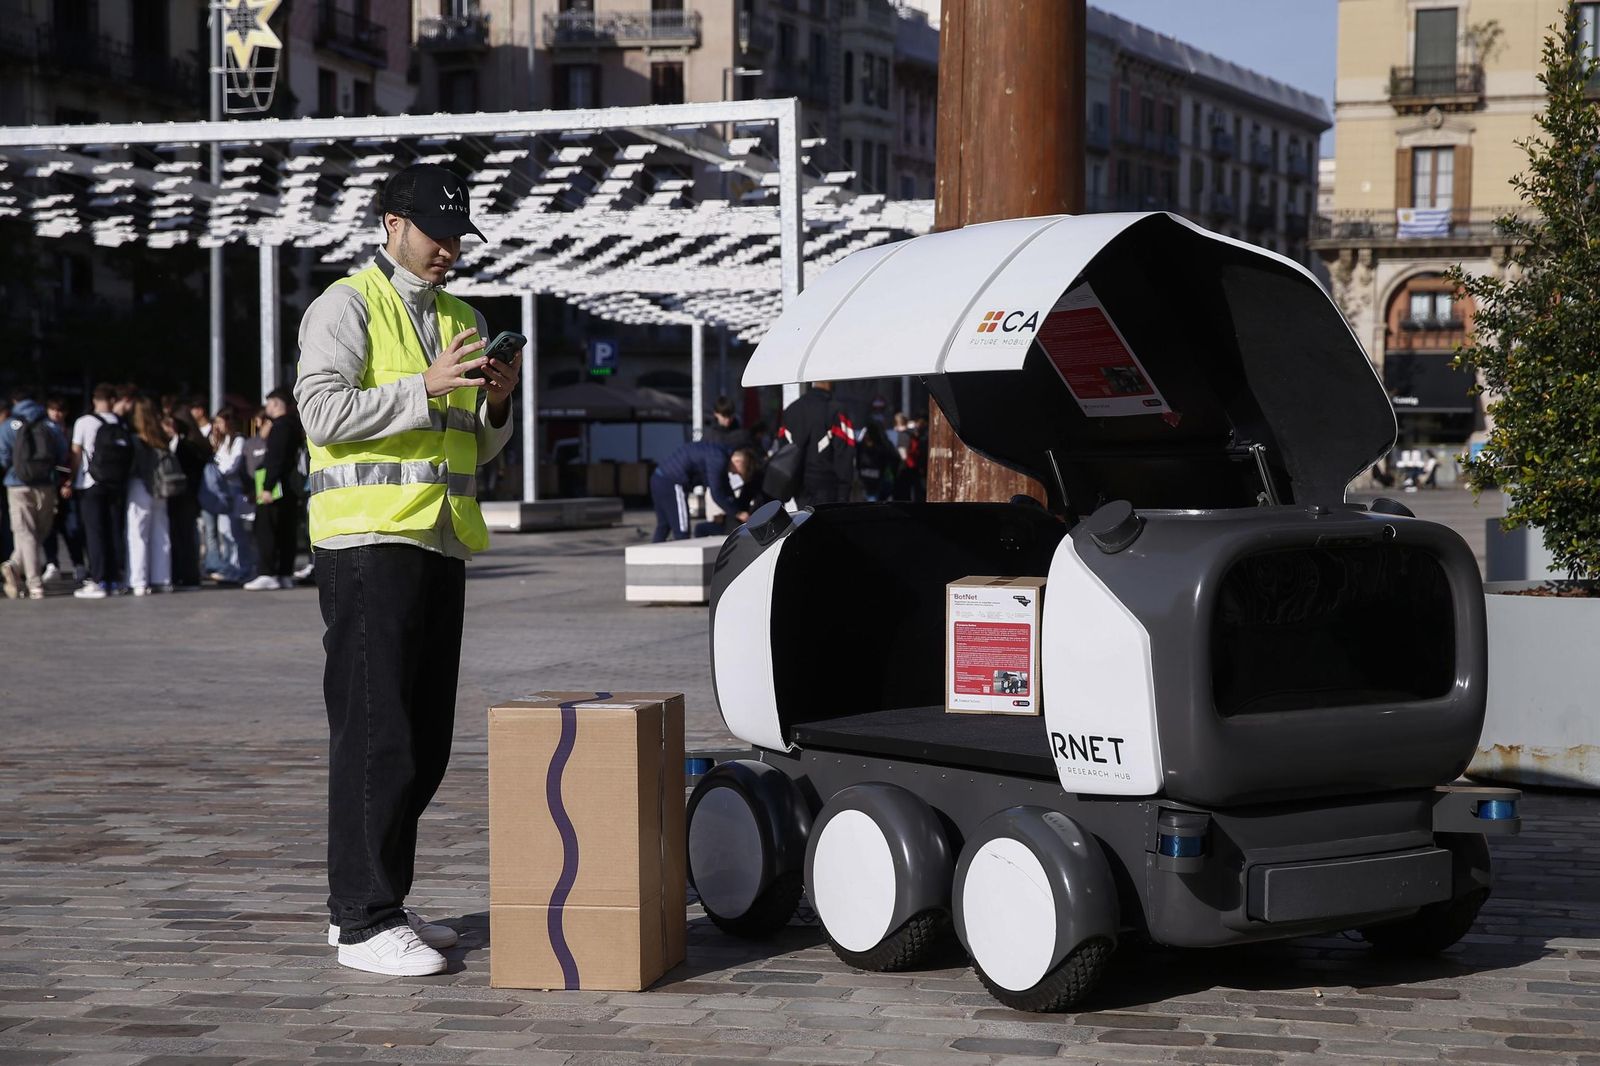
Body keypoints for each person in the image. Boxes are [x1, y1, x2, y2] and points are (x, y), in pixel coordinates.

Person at [295, 162, 518, 976]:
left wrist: (498, 401)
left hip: (440, 539)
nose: (449, 251)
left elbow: (474, 446)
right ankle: (360, 918)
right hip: (365, 545)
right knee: (375, 733)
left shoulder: (462, 316)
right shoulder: (345, 305)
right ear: (392, 224)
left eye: (459, 237)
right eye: (435, 234)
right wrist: (420, 388)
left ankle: (381, 895)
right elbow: (319, 411)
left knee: (423, 739)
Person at [0, 388, 67, 600]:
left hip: (17, 484)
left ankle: (31, 580)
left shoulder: (8, 425)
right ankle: (17, 567)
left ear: (14, 400)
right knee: (39, 531)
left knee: (25, 533)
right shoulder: (49, 424)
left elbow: (3, 457)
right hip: (45, 484)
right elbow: (62, 452)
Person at [70, 384, 132, 599]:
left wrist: (70, 479)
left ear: (94, 400)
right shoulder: (121, 423)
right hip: (116, 483)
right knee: (114, 530)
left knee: (94, 531)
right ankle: (115, 579)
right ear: (113, 400)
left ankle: (98, 579)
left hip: (90, 482)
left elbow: (76, 454)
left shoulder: (84, 422)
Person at [243, 389, 305, 591]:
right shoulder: (295, 425)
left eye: (269, 403)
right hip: (291, 486)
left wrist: (267, 486)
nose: (266, 407)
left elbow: (275, 459)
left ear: (277, 404)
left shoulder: (280, 427)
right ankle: (284, 572)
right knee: (286, 531)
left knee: (267, 529)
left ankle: (267, 572)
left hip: (276, 487)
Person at [123, 394, 174, 596]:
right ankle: (162, 578)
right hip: (162, 487)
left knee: (138, 533)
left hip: (140, 485)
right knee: (161, 532)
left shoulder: (135, 438)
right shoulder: (161, 435)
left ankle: (138, 580)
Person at [778, 380, 856, 508]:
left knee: (807, 525)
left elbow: (783, 450)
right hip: (828, 486)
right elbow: (845, 454)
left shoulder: (791, 410)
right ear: (831, 381)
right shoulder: (836, 410)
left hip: (799, 486)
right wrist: (844, 493)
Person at [652, 438, 740, 542]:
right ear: (738, 460)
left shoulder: (716, 451)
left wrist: (734, 505)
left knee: (663, 526)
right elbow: (716, 492)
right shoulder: (718, 458)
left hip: (657, 477)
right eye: (741, 470)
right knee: (682, 530)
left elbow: (722, 483)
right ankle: (684, 558)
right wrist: (736, 512)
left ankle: (648, 557)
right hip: (673, 481)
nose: (736, 474)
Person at [41, 396, 85, 585]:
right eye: (52, 409)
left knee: (71, 527)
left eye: (59, 410)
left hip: (67, 485)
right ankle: (52, 563)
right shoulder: (43, 431)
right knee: (48, 526)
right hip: (50, 484)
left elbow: (75, 459)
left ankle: (78, 563)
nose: (56, 414)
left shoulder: (71, 432)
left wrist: (69, 482)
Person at [167, 409, 211, 590]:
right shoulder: (194, 443)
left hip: (184, 496)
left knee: (184, 537)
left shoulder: (186, 445)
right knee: (186, 536)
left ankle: (187, 575)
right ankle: (186, 574)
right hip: (189, 497)